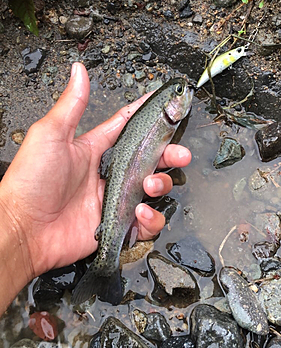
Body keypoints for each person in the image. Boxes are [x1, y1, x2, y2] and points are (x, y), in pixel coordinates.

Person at [0, 63, 192, 316]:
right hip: (114, 196)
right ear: (167, 107)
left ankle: (103, 269)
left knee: (154, 186)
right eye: (179, 91)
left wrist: (18, 225)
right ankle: (105, 266)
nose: (185, 91)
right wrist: (17, 224)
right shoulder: (163, 120)